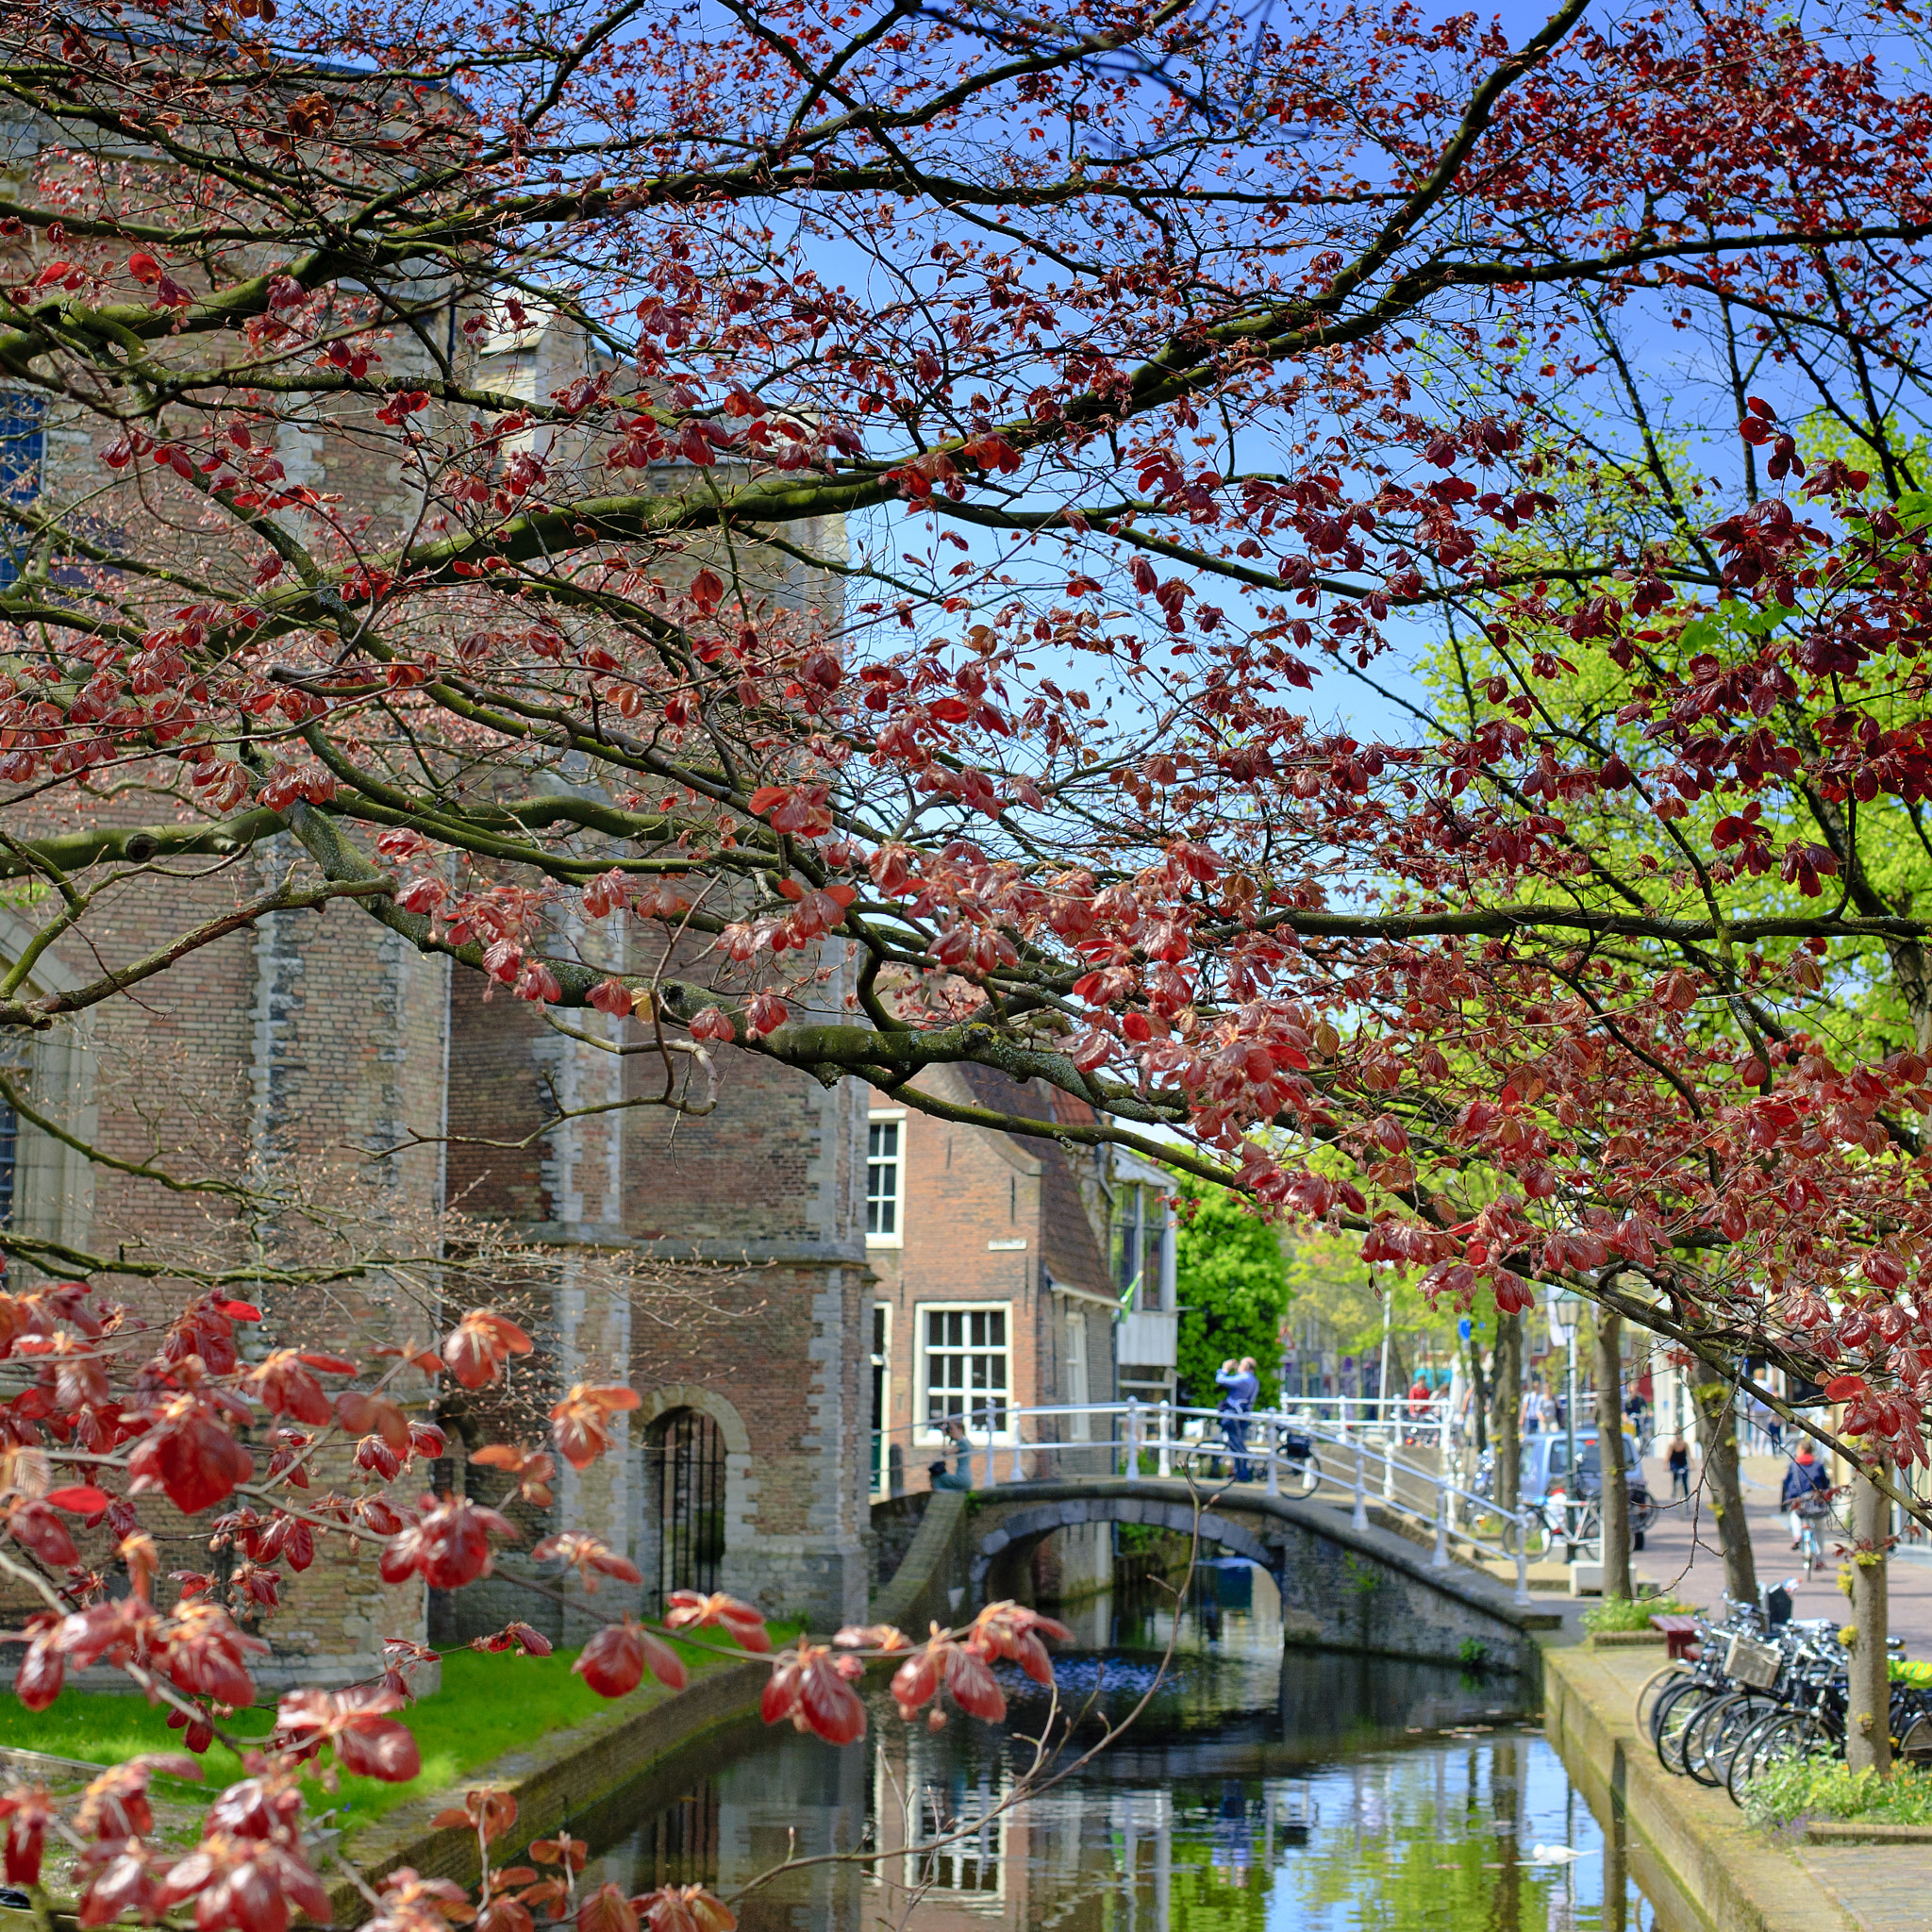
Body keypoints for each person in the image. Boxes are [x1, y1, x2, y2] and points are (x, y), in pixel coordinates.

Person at [1216, 1356, 1259, 1481]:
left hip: (1234, 1416)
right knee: (1239, 1444)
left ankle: (1242, 1474)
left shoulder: (1244, 1378)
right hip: (1243, 1416)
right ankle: (1241, 1473)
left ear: (1245, 1367)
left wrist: (1224, 1369)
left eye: (1240, 1364)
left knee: (1236, 1445)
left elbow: (1221, 1380)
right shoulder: (1253, 1380)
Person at [1781, 1443, 1830, 1544]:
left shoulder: (1794, 1465)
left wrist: (1789, 1497)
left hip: (1800, 1501)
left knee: (1795, 1515)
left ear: (1802, 1451)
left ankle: (1797, 1537)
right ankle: (1820, 1558)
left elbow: (1788, 1482)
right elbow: (1825, 1483)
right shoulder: (1818, 1465)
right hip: (1815, 1501)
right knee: (1819, 1528)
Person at [928, 1415, 973, 1491]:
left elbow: (945, 1453)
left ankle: (939, 1495)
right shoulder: (965, 1442)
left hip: (962, 1478)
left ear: (960, 1429)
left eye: (952, 1429)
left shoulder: (962, 1443)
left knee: (937, 1477)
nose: (950, 1431)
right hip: (966, 1477)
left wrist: (945, 1437)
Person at [1666, 1434, 1690, 1502]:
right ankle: (1674, 1490)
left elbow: (1689, 1455)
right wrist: (1665, 1465)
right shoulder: (1672, 1445)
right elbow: (1668, 1455)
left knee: (1685, 1479)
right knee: (1675, 1476)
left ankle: (1686, 1494)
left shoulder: (1685, 1444)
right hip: (1674, 1463)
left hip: (1683, 1463)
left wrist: (1693, 1465)